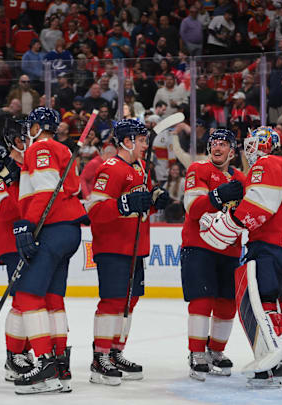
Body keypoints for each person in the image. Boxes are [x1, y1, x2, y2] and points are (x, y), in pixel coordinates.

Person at [199, 126, 282, 387]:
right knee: (281, 305)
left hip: (272, 248)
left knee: (261, 304)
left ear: (262, 145)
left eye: (251, 143)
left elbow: (259, 206)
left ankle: (271, 362)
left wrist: (226, 224)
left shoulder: (266, 164)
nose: (247, 149)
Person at [85, 119, 169, 385]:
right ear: (128, 141)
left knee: (129, 302)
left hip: (135, 246)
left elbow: (137, 207)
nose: (146, 145)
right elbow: (94, 212)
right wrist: (123, 203)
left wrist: (153, 201)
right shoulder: (110, 169)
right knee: (112, 301)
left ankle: (115, 351)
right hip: (113, 247)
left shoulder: (140, 168)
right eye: (142, 140)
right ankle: (100, 359)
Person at [10, 107, 87, 394]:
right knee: (52, 297)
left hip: (51, 229)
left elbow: (45, 191)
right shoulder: (60, 149)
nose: (27, 131)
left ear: (39, 126)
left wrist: (26, 224)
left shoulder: (41, 147)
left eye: (30, 125)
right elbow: (66, 187)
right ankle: (60, 364)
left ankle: (45, 366)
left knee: (29, 296)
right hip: (67, 230)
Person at [180, 129, 245, 381]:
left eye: (223, 144)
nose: (217, 148)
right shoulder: (199, 169)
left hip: (230, 247)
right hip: (199, 246)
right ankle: (197, 353)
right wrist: (218, 196)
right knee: (202, 300)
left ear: (232, 151)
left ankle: (216, 351)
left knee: (227, 304)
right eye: (213, 144)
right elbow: (193, 208)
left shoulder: (240, 178)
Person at [0, 121, 34, 381]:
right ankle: (13, 354)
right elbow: (1, 211)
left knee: (31, 300)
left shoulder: (33, 166)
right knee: (21, 301)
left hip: (35, 242)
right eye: (22, 137)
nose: (26, 140)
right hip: (13, 243)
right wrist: (15, 183)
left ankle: (24, 350)